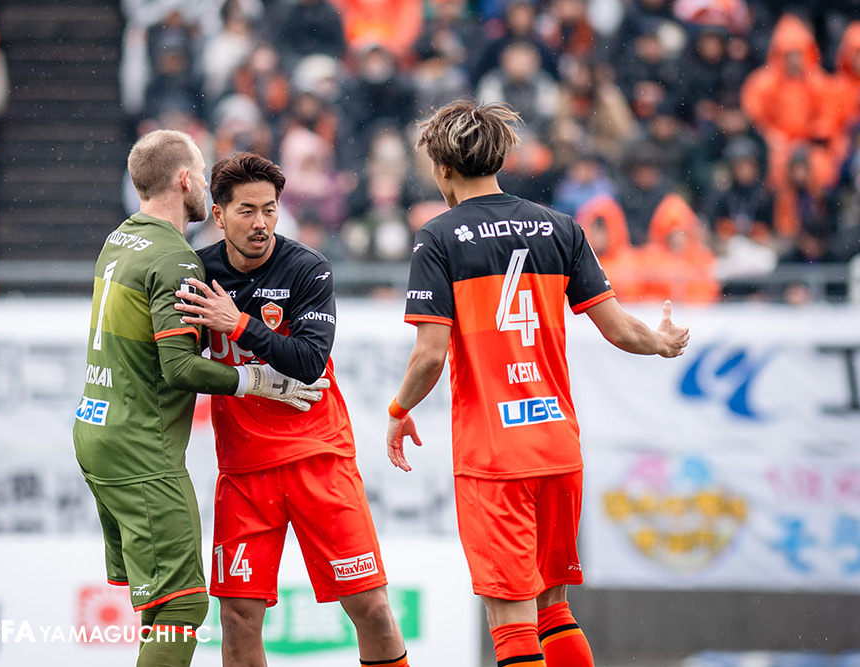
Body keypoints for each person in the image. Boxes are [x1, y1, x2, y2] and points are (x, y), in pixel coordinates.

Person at [384, 101, 689, 667]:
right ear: (500, 159)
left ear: (443, 168)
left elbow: (429, 356)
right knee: (553, 608)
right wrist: (661, 342)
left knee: (511, 620)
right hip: (556, 446)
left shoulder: (439, 237)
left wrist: (398, 410)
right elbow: (620, 330)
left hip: (496, 455)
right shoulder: (559, 226)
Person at [72, 130, 328, 667]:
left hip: (97, 431)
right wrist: (262, 381)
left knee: (159, 602)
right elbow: (180, 367)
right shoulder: (176, 259)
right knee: (184, 604)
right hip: (141, 447)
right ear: (186, 180)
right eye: (203, 175)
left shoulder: (120, 239)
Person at [172, 151, 409, 667]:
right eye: (247, 211)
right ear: (219, 215)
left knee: (371, 609)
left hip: (318, 457)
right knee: (237, 619)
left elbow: (308, 361)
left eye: (270, 210)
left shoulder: (307, 267)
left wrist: (238, 324)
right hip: (244, 471)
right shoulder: (197, 271)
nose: (261, 223)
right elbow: (175, 364)